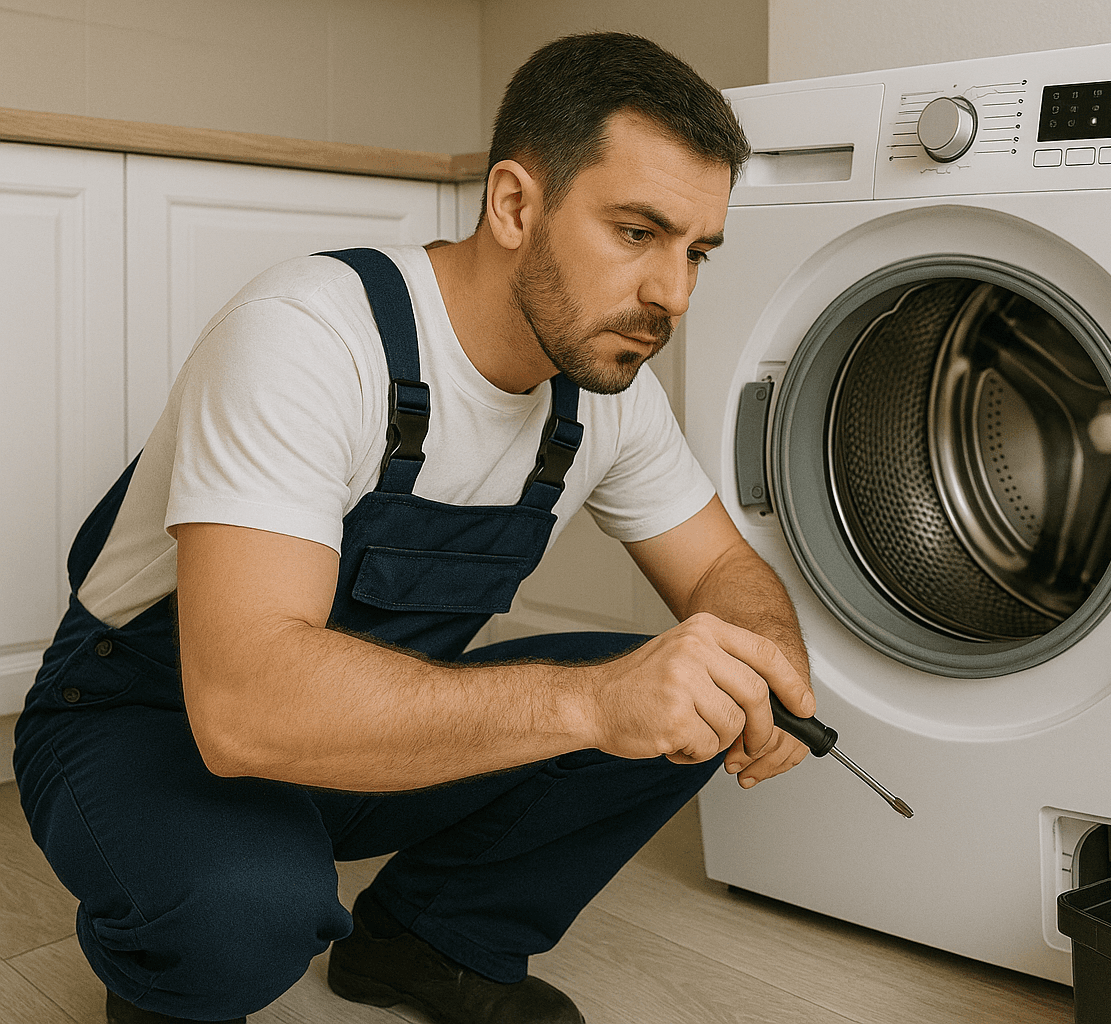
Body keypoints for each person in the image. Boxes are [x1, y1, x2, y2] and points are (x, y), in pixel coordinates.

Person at [12, 32, 813, 1024]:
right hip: (150, 722)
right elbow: (245, 709)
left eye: (696, 251)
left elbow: (723, 566)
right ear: (515, 204)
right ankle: (173, 979)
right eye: (637, 233)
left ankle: (429, 943)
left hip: (365, 731)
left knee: (695, 690)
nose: (674, 293)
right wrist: (595, 704)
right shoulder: (310, 336)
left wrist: (766, 657)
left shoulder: (605, 393)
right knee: (243, 912)